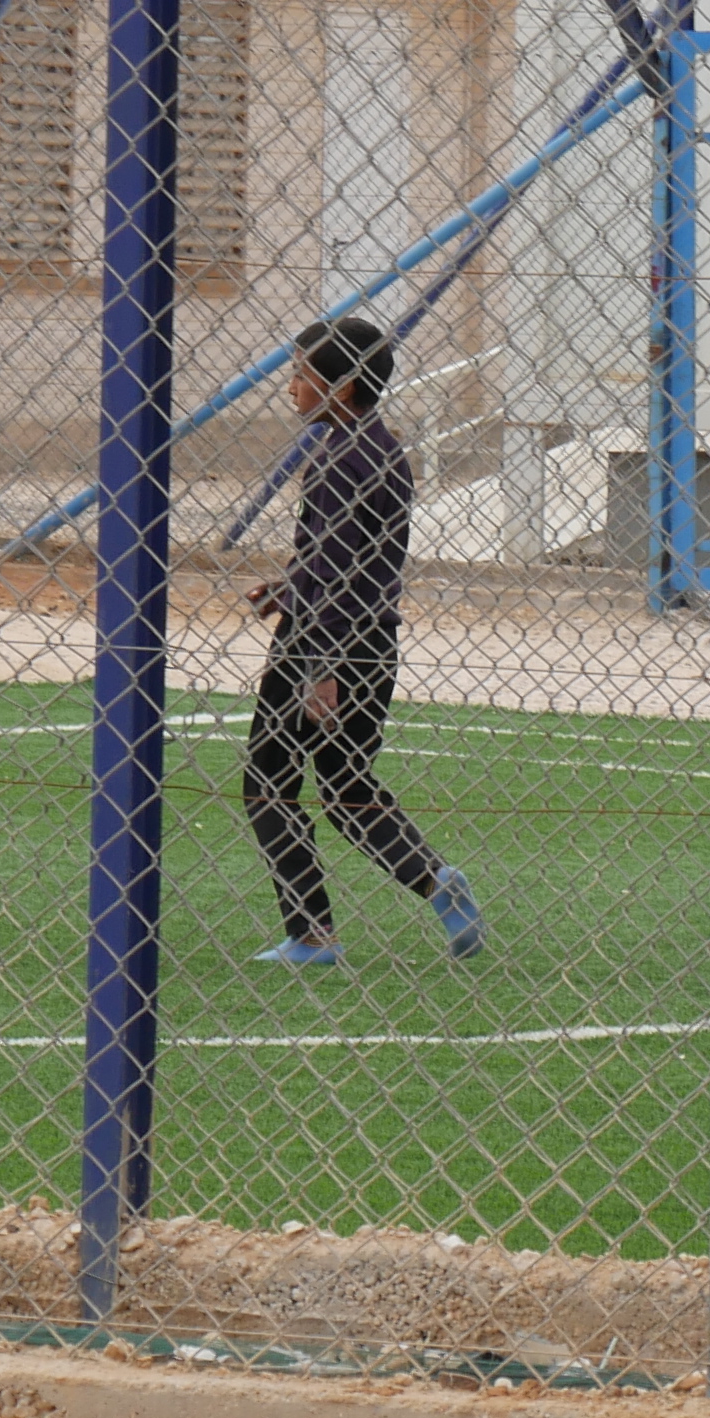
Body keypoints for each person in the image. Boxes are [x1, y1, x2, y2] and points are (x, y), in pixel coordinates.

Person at [240, 314, 483, 972]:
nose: (290, 386)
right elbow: (343, 562)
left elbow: (340, 573)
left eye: (301, 374)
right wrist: (289, 586)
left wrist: (319, 666)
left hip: (321, 651)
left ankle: (314, 934)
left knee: (267, 782)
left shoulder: (337, 462)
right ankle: (434, 880)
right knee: (346, 784)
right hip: (371, 643)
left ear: (341, 387)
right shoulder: (381, 450)